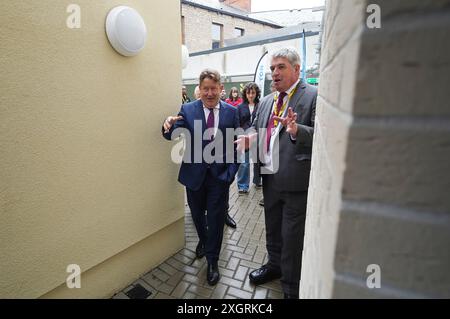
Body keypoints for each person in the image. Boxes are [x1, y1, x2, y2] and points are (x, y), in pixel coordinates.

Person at [237, 48, 317, 299]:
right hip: (269, 177)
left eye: (280, 67)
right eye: (272, 68)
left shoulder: (313, 96)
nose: (274, 73)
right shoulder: (267, 100)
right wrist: (250, 136)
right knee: (272, 227)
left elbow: (322, 135)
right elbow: (254, 127)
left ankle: (291, 287)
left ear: (296, 69)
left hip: (295, 181)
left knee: (292, 236)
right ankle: (274, 266)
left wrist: (296, 130)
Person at [162, 69, 240, 286]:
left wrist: (230, 174)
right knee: (198, 216)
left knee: (215, 220)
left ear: (220, 89)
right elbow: (172, 133)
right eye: (205, 88)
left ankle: (213, 261)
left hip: (219, 178)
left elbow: (237, 148)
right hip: (194, 176)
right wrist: (166, 125)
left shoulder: (231, 113)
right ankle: (205, 243)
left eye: (213, 88)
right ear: (200, 89)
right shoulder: (187, 110)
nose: (209, 93)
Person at [236, 82, 262, 194]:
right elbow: (237, 122)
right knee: (244, 162)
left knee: (259, 161)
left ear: (256, 93)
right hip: (244, 137)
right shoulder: (240, 107)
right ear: (245, 94)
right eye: (248, 93)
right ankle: (242, 185)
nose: (251, 95)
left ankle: (257, 181)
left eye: (253, 92)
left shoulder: (261, 105)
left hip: (258, 135)